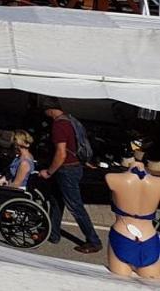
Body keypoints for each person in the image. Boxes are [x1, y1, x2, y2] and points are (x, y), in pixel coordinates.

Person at [39, 97, 101, 253]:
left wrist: (49, 171)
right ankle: (53, 234)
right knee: (56, 200)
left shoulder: (59, 126)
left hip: (66, 170)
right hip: (75, 167)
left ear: (49, 110)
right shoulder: (71, 121)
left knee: (75, 206)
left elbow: (61, 153)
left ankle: (93, 241)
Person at [105, 143, 160, 278]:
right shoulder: (157, 183)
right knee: (151, 285)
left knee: (118, 284)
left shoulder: (113, 178)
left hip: (122, 236)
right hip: (149, 239)